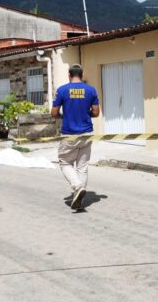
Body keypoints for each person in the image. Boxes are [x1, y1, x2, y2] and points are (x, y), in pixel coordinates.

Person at [51, 64, 100, 210]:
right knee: (82, 168)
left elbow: (53, 113)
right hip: (86, 133)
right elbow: (96, 113)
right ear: (82, 74)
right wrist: (86, 114)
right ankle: (78, 200)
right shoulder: (91, 90)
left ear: (69, 75)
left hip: (69, 134)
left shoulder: (62, 90)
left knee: (65, 162)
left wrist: (64, 115)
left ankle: (77, 186)